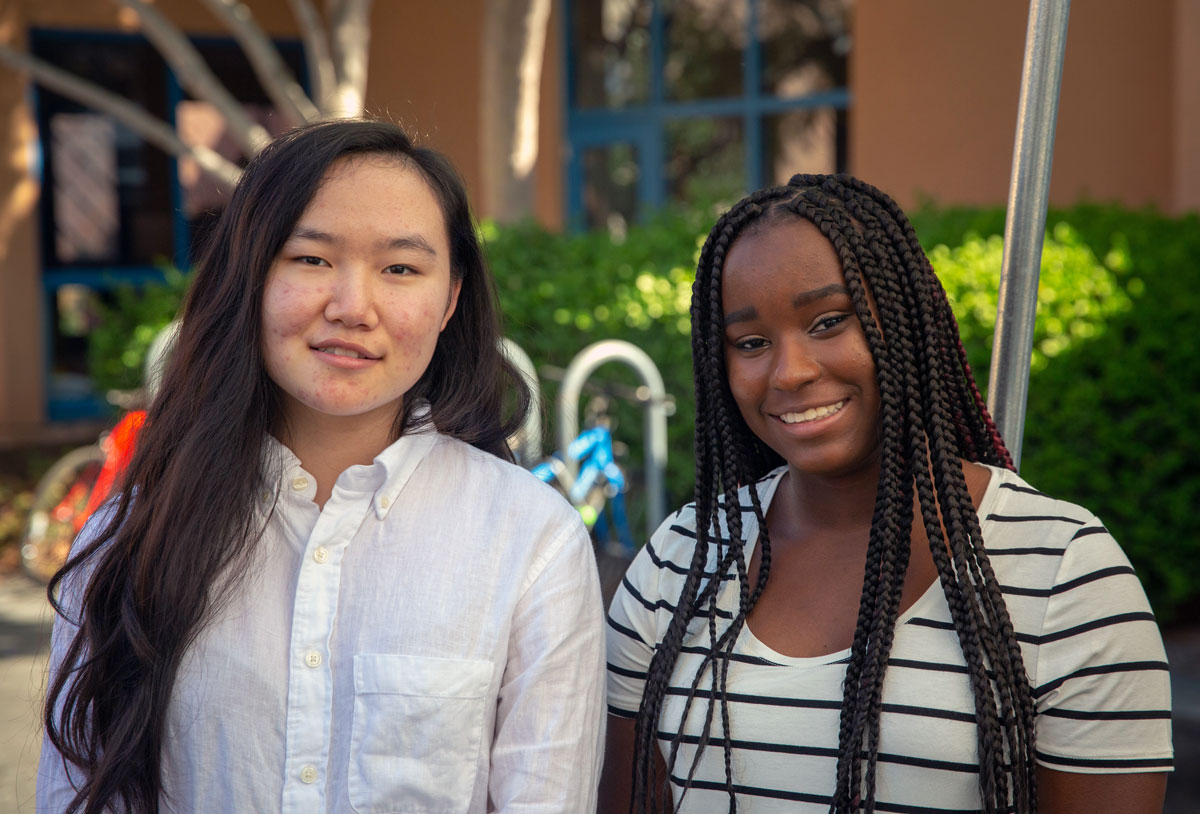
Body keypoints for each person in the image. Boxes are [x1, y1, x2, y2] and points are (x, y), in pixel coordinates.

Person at [39, 119, 606, 814]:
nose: (351, 307)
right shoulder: (130, 536)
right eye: (311, 259)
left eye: (400, 268)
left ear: (450, 298)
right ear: (250, 275)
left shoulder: (530, 541)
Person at [601, 174, 1173, 813]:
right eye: (752, 343)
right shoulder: (678, 562)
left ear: (905, 321)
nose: (790, 371)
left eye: (828, 321)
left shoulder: (1064, 572)